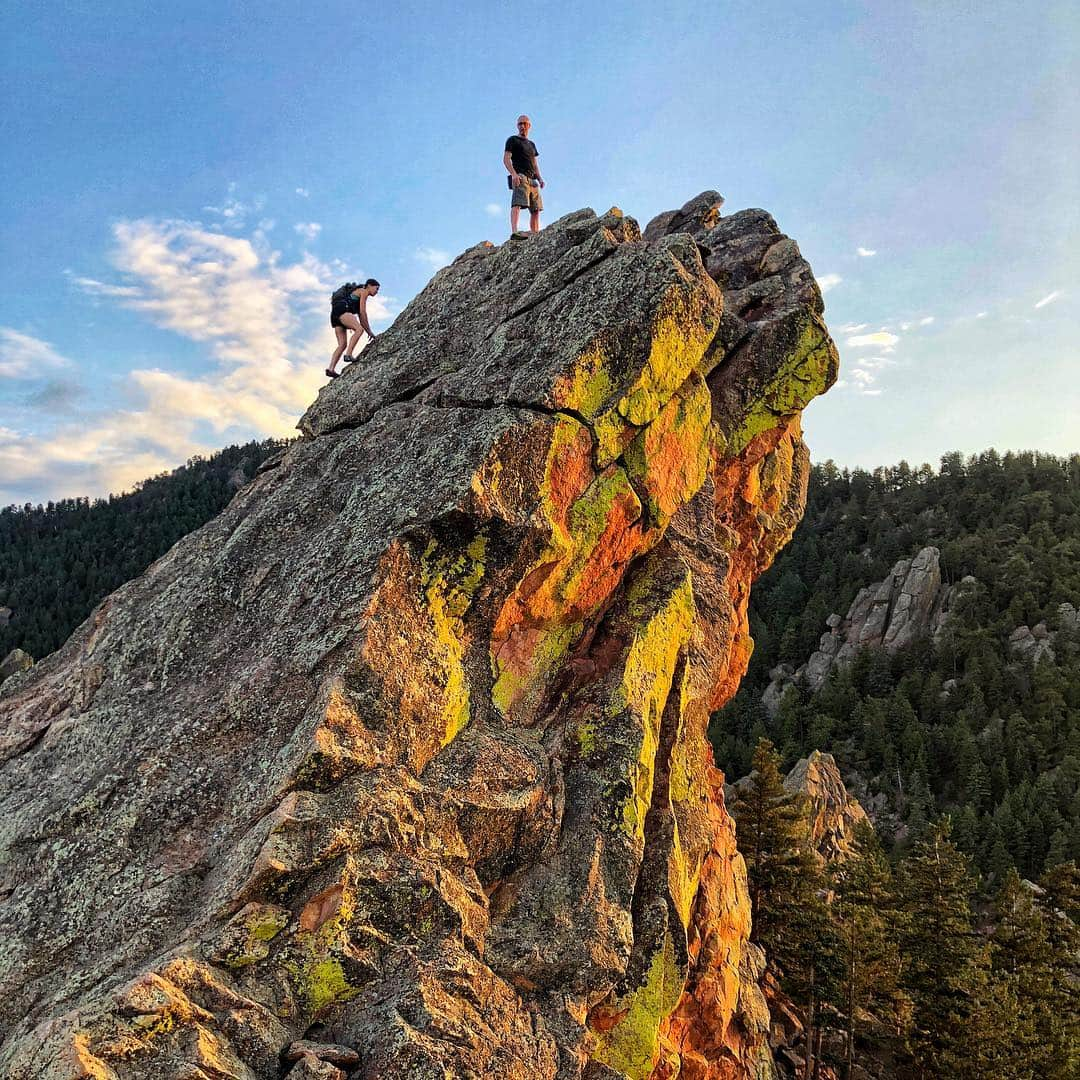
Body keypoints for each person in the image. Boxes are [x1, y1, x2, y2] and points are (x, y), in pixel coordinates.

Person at [327, 279, 380, 378]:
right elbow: (363, 313)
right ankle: (348, 354)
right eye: (376, 288)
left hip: (335, 315)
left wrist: (369, 331)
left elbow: (361, 316)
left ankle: (331, 369)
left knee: (342, 344)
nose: (377, 292)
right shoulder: (363, 291)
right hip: (343, 310)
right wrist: (369, 331)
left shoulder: (356, 292)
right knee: (359, 330)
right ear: (369, 285)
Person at [503, 115, 545, 235]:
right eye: (520, 124)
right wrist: (514, 174)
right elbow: (506, 159)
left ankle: (535, 233)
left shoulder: (532, 144)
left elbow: (535, 164)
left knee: (536, 209)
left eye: (524, 124)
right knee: (517, 203)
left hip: (533, 180)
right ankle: (515, 232)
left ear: (529, 126)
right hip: (520, 177)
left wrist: (540, 178)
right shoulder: (512, 140)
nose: (522, 126)